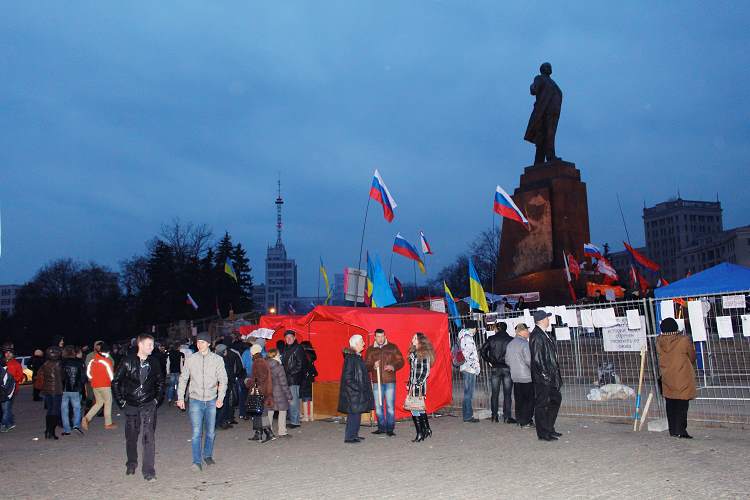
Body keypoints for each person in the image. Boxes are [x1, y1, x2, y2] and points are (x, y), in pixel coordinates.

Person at [112, 334, 165, 481]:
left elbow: (160, 382)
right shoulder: (127, 361)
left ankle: (148, 471)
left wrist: (156, 400)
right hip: (131, 404)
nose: (152, 347)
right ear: (140, 345)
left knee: (149, 437)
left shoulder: (154, 362)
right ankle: (131, 462)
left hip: (148, 404)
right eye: (149, 344)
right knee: (131, 436)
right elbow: (116, 381)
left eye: (152, 344)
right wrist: (121, 401)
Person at [176, 332, 227, 471]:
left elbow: (223, 380)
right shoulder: (191, 359)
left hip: (211, 399)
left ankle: (207, 455)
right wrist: (180, 397)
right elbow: (183, 378)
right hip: (195, 400)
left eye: (202, 342)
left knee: (210, 432)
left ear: (209, 343)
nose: (199, 344)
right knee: (196, 432)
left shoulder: (217, 360)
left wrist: (220, 398)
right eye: (198, 342)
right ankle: (196, 461)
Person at [657, 317, 697, 439]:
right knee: (682, 404)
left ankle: (673, 430)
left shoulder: (659, 341)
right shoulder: (684, 340)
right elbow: (692, 356)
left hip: (667, 376)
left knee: (670, 403)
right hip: (682, 376)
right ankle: (681, 430)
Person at [529, 310, 562, 442]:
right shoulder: (537, 336)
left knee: (556, 399)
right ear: (542, 320)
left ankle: (548, 427)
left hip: (550, 375)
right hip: (543, 377)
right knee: (541, 404)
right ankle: (543, 433)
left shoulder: (544, 334)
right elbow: (537, 358)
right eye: (547, 318)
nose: (549, 320)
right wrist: (545, 375)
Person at [364, 329, 404, 436]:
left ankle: (390, 429)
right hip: (376, 382)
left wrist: (393, 366)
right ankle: (381, 427)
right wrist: (373, 365)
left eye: (382, 336)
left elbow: (401, 361)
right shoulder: (370, 350)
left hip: (390, 381)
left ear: (385, 336)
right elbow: (365, 365)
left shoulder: (392, 347)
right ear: (375, 337)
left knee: (390, 406)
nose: (380, 338)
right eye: (378, 336)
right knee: (378, 406)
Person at [338, 334, 374, 444]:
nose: (363, 343)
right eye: (361, 341)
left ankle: (354, 435)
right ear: (355, 344)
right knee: (354, 415)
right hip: (353, 393)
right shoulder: (351, 358)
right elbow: (348, 378)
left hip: (356, 392)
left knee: (356, 415)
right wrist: (358, 388)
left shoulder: (356, 356)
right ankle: (349, 437)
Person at [524, 61, 563, 164]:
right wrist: (532, 87)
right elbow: (534, 89)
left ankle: (539, 161)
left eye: (550, 67)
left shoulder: (553, 83)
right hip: (543, 111)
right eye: (547, 67)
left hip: (553, 112)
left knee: (547, 134)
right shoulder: (540, 78)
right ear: (542, 69)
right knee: (547, 133)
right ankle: (550, 156)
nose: (549, 68)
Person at [480, 321, 516, 423]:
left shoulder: (491, 339)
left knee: (494, 393)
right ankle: (507, 416)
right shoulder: (510, 340)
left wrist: (489, 361)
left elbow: (482, 351)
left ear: (497, 328)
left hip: (495, 368)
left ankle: (494, 416)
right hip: (507, 368)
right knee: (507, 393)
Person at [406, 332, 435, 443]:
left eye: (414, 338)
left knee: (414, 409)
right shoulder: (413, 353)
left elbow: (426, 371)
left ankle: (420, 433)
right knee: (419, 408)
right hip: (413, 385)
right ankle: (426, 429)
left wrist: (418, 383)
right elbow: (412, 371)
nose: (412, 339)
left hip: (419, 385)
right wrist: (409, 383)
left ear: (419, 340)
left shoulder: (424, 354)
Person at [506, 323, 534, 428]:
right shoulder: (525, 344)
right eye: (527, 330)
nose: (528, 332)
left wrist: (514, 368)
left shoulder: (510, 344)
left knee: (519, 400)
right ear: (522, 331)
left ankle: (520, 420)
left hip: (515, 376)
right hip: (526, 376)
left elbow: (507, 361)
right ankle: (527, 421)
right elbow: (529, 361)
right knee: (529, 400)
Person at [82, 342, 116, 430]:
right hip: (105, 385)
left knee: (99, 403)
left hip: (95, 385)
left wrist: (93, 379)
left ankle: (87, 418)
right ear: (107, 351)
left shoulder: (93, 360)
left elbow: (88, 373)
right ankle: (108, 423)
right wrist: (110, 380)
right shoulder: (106, 361)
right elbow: (111, 375)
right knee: (108, 402)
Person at [246, 343, 275, 443]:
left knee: (262, 413)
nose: (250, 354)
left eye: (251, 352)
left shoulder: (258, 362)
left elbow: (261, 378)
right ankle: (258, 433)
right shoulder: (260, 360)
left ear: (254, 352)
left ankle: (269, 433)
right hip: (262, 390)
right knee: (258, 412)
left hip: (260, 391)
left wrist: (249, 382)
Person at [281, 330, 307, 429]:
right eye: (287, 337)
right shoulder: (286, 348)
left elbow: (301, 365)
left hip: (293, 379)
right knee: (290, 400)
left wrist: (289, 373)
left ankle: (295, 422)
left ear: (294, 338)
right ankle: (293, 419)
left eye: (290, 337)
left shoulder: (298, 348)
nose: (289, 339)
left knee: (293, 400)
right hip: (287, 378)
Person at [215, 343, 243, 430]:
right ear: (224, 352)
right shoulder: (222, 362)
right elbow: (227, 375)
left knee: (219, 404)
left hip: (216, 386)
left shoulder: (214, 360)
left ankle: (219, 422)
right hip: (224, 386)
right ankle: (219, 423)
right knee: (223, 404)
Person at [267, 348, 292, 438]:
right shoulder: (279, 366)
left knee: (269, 411)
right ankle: (282, 431)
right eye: (279, 354)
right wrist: (289, 396)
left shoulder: (264, 365)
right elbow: (283, 382)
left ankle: (268, 431)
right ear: (276, 355)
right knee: (282, 411)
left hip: (268, 392)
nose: (280, 355)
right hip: (279, 392)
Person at [60, 345, 86, 435]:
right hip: (76, 388)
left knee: (64, 409)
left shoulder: (62, 363)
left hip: (64, 389)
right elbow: (83, 377)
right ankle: (76, 425)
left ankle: (67, 429)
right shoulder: (79, 362)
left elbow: (60, 376)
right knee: (77, 408)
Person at [39, 346, 63, 439]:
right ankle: (51, 432)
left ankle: (47, 430)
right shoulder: (59, 364)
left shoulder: (45, 364)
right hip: (56, 390)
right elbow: (63, 377)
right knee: (55, 411)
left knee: (50, 410)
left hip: (47, 390)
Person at [458, 327, 480, 423]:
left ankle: (466, 415)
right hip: (469, 368)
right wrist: (476, 367)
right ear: (473, 328)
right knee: (469, 393)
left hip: (465, 367)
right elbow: (469, 355)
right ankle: (468, 416)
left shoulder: (463, 336)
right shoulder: (468, 338)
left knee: (467, 393)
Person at [1, 345, 24, 432]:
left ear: (13, 354)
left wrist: (12, 381)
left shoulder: (16, 364)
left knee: (6, 407)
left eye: (10, 353)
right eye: (6, 353)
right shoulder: (2, 363)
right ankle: (10, 423)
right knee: (7, 407)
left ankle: (4, 424)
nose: (8, 354)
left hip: (12, 389)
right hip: (2, 389)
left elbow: (20, 377)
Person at [300, 340, 318, 422]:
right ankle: (311, 416)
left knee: (304, 397)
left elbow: (302, 368)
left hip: (304, 378)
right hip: (311, 378)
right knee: (311, 398)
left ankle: (306, 417)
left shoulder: (304, 355)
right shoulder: (312, 356)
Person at [84, 341, 103, 412]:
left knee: (100, 396)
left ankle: (100, 411)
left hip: (100, 379)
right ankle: (87, 411)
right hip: (91, 379)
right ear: (94, 346)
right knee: (90, 396)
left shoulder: (104, 354)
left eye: (100, 345)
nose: (99, 347)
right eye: (97, 345)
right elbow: (87, 365)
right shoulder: (90, 355)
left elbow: (112, 362)